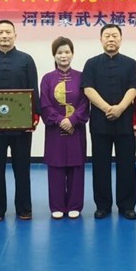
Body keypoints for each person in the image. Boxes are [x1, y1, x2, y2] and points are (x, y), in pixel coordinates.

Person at [0, 20, 39, 222]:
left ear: (15, 35)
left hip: (21, 127)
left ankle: (24, 208)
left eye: (8, 32)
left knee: (22, 169)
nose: (4, 36)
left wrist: (34, 116)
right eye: (0, 32)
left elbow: (33, 89)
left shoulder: (26, 60)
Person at [82, 24, 136, 220]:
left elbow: (134, 88)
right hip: (100, 122)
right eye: (107, 36)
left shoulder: (130, 63)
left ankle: (127, 205)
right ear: (101, 40)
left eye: (115, 35)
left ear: (121, 39)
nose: (111, 39)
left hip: (125, 122)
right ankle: (102, 205)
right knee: (100, 166)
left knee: (127, 165)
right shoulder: (91, 63)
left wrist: (120, 108)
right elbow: (88, 89)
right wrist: (107, 108)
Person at [40, 36, 90, 219]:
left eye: (67, 52)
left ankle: (75, 205)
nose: (63, 55)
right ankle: (57, 206)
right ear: (54, 55)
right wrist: (60, 120)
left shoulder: (82, 77)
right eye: (59, 52)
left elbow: (85, 103)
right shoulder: (47, 79)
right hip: (55, 130)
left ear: (72, 54)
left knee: (76, 167)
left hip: (76, 129)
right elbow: (44, 104)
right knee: (56, 167)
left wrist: (73, 120)